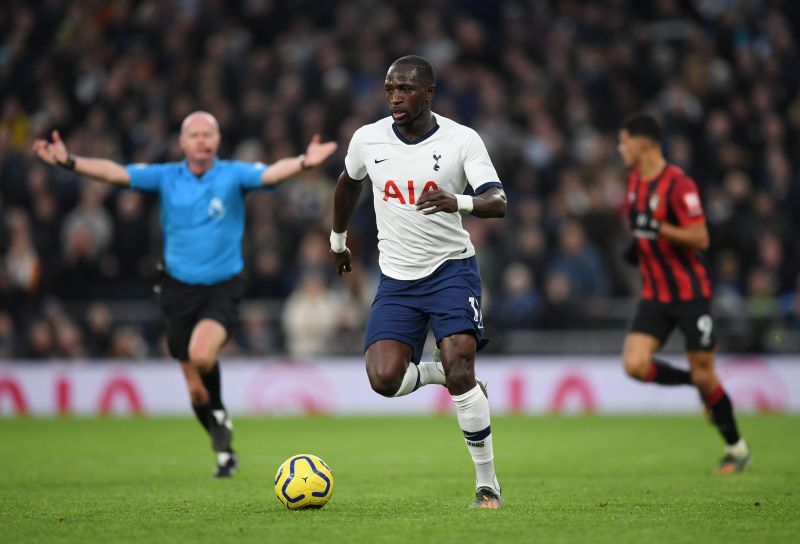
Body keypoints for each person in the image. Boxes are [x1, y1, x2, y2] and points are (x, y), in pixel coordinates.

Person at [33, 111, 337, 477]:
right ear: (182, 142)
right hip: (177, 289)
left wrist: (305, 161)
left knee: (201, 354)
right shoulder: (166, 177)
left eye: (208, 133)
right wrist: (68, 161)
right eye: (194, 134)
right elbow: (115, 172)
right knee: (196, 393)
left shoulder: (232, 175)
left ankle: (220, 415)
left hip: (223, 285)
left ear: (218, 139)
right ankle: (223, 444)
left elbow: (271, 173)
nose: (202, 140)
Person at [330, 56, 507, 508]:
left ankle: (487, 483)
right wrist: (338, 239)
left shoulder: (461, 140)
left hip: (451, 269)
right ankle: (437, 374)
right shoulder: (367, 139)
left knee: (462, 365)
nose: (395, 98)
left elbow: (497, 200)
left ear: (429, 93)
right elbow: (348, 184)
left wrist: (458, 202)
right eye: (390, 89)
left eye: (405, 89)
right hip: (397, 278)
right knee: (383, 379)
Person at [618, 112, 750, 473]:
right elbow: (640, 226)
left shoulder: (679, 184)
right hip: (655, 295)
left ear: (642, 143)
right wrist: (637, 245)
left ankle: (736, 449)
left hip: (690, 293)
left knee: (708, 374)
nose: (620, 148)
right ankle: (697, 383)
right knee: (634, 364)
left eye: (624, 141)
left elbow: (701, 237)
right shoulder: (634, 183)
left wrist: (658, 228)